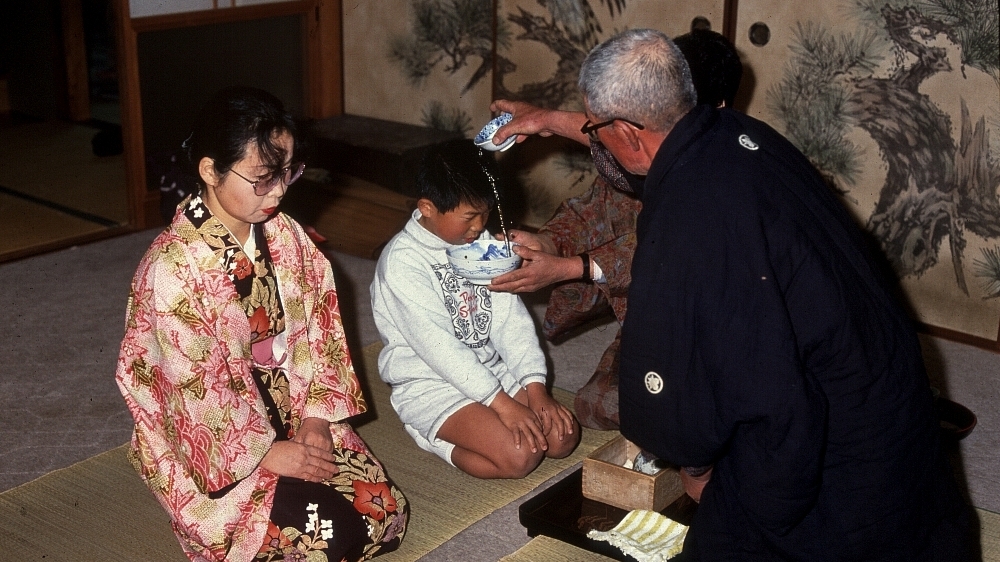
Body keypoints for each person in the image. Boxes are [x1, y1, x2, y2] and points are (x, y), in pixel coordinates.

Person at [567, 28, 975, 560]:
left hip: (835, 466)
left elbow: (694, 382)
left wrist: (695, 465)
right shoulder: (744, 137)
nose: (594, 139)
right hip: (900, 422)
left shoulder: (687, 219)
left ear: (627, 131)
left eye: (594, 128)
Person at [115, 87, 407, 562]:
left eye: (287, 173)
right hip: (219, 445)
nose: (279, 191)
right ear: (210, 170)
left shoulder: (285, 233)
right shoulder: (170, 270)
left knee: (384, 517)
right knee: (329, 539)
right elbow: (192, 391)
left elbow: (319, 330)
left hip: (291, 404)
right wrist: (269, 454)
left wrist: (316, 419)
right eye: (262, 178)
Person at [488, 29, 743, 430]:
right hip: (659, 306)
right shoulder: (651, 139)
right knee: (595, 405)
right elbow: (595, 205)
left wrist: (571, 267)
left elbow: (665, 259)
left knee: (656, 417)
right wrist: (546, 242)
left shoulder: (722, 175)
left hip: (720, 328)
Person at [369, 138, 580, 479]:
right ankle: (429, 436)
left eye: (484, 213)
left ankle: (495, 410)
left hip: (488, 371)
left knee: (561, 439)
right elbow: (439, 349)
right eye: (469, 217)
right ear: (427, 207)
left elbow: (511, 322)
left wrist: (535, 387)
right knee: (520, 457)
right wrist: (503, 405)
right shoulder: (402, 263)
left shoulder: (481, 248)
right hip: (430, 382)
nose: (479, 226)